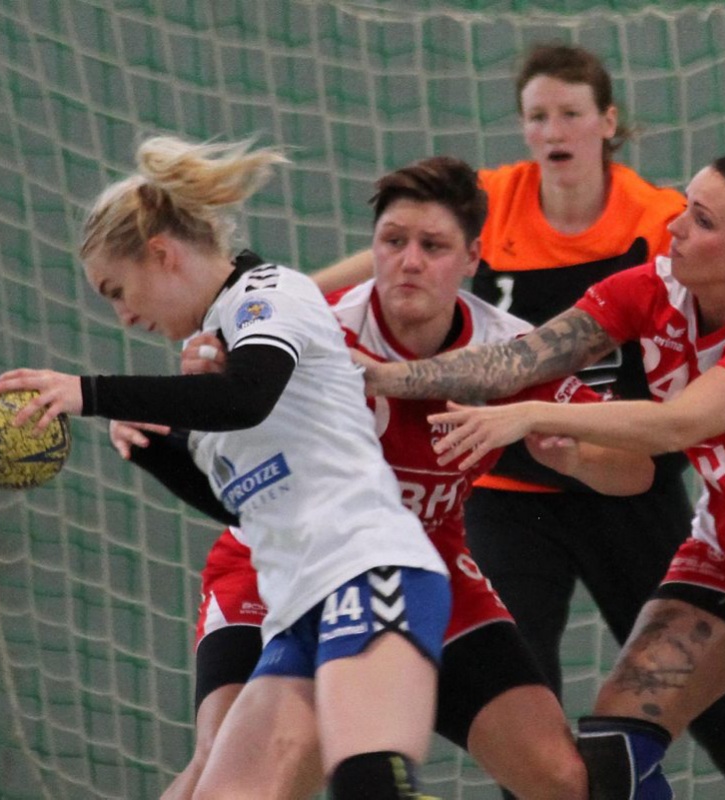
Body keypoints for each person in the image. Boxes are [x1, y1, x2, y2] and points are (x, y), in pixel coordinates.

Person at [312, 42, 725, 799]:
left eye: (569, 112)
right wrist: (271, 309)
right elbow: (386, 254)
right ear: (524, 128)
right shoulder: (491, 203)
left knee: (712, 695)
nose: (553, 128)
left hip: (624, 481)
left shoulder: (657, 218)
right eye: (537, 115)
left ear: (608, 121)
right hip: (506, 490)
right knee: (521, 705)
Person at [360, 154, 725, 800]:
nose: (675, 226)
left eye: (701, 220)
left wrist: (533, 415)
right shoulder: (649, 290)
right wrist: (379, 374)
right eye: (683, 203)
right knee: (611, 752)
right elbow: (515, 362)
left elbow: (675, 426)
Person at [128, 155, 658, 799]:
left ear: (472, 258)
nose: (408, 261)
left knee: (561, 779)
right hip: (279, 569)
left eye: (432, 246)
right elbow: (223, 399)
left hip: (423, 563)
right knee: (232, 768)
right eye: (392, 241)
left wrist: (568, 454)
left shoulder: (507, 353)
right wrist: (180, 391)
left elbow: (636, 471)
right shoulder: (311, 326)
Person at [0, 135, 455, 800]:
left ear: (161, 253)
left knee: (369, 783)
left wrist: (89, 392)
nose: (123, 315)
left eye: (118, 290)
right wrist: (158, 450)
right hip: (297, 608)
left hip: (369, 569)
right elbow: (242, 502)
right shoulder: (212, 352)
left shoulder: (268, 294)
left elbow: (245, 399)